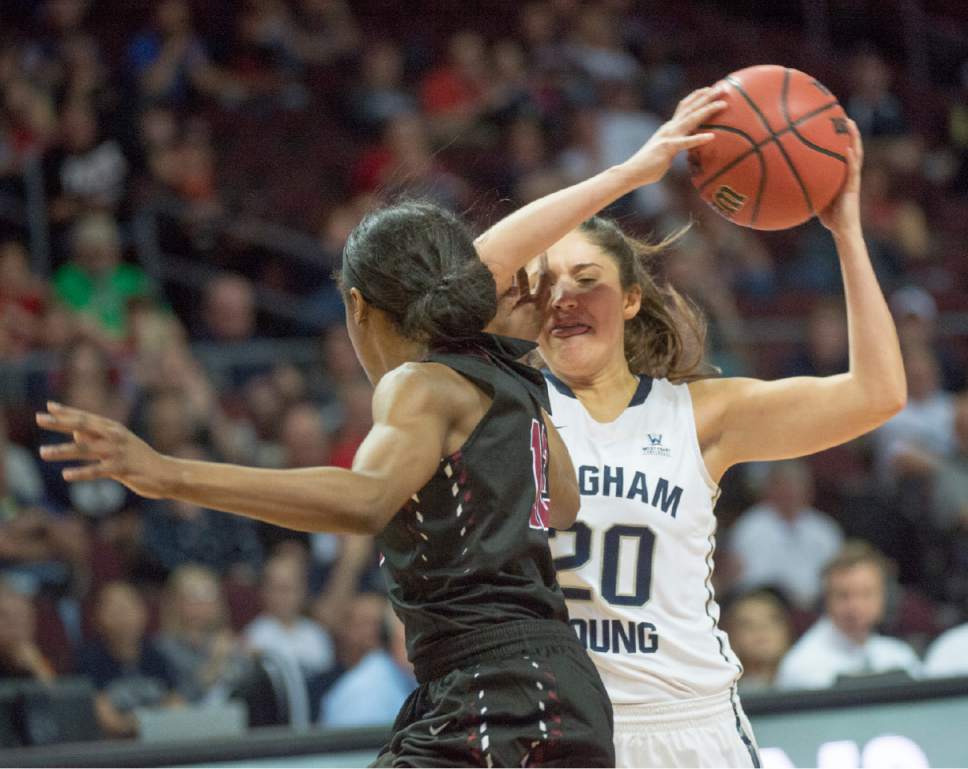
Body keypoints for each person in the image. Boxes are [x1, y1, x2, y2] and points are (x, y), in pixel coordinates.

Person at [36, 201, 614, 766]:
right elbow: (563, 505)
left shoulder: (418, 383)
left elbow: (365, 501)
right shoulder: (513, 382)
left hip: (493, 692)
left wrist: (169, 473)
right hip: (566, 688)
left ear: (358, 306)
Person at [474, 86, 905, 766]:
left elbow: (877, 394)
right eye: (545, 282)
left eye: (586, 278)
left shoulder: (698, 413)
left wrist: (847, 230)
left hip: (691, 725)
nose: (563, 297)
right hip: (559, 728)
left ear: (632, 297)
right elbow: (469, 277)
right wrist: (628, 174)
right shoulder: (504, 403)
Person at [775, 542, 921, 690]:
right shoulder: (802, 665)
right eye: (844, 595)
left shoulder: (900, 656)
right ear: (826, 600)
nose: (855, 606)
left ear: (884, 597)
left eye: (866, 593)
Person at [728, 460, 843, 611]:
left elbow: (836, 577)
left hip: (814, 608)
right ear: (769, 489)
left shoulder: (825, 529)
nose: (791, 492)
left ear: (809, 491)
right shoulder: (749, 527)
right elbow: (745, 579)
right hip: (764, 605)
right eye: (784, 486)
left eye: (797, 486)